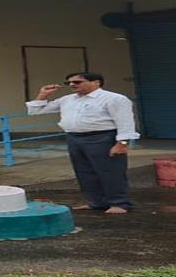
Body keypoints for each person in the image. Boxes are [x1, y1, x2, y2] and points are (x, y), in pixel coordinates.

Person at [27, 73, 140, 214]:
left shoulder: (114, 99)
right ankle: (96, 202)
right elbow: (35, 111)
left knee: (110, 172)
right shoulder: (67, 99)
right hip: (75, 138)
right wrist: (43, 94)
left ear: (96, 82)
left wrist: (122, 143)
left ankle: (120, 204)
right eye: (69, 83)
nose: (73, 85)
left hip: (102, 137)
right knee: (84, 172)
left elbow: (125, 122)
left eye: (77, 82)